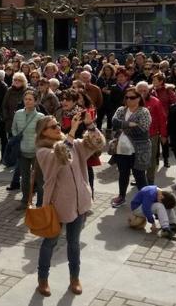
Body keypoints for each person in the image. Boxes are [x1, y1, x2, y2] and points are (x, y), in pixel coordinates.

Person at [34, 113, 105, 297]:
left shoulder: (72, 143)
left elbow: (97, 143)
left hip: (79, 202)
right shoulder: (43, 152)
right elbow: (60, 156)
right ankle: (43, 279)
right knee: (49, 242)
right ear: (43, 133)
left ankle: (75, 278)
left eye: (58, 124)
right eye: (52, 126)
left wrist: (90, 126)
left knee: (73, 243)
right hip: (57, 205)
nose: (58, 128)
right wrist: (72, 131)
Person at [111, 87, 152, 208]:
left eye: (132, 97)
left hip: (138, 150)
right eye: (127, 97)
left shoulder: (143, 111)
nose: (129, 100)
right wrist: (129, 124)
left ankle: (146, 200)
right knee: (123, 174)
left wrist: (123, 125)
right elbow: (114, 122)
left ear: (139, 98)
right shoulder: (121, 109)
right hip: (121, 150)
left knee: (139, 176)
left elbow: (142, 129)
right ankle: (121, 197)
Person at [12, 89, 44, 210]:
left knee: (40, 180)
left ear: (36, 101)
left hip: (36, 152)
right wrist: (17, 138)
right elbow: (14, 128)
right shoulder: (18, 113)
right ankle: (25, 200)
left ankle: (40, 204)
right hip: (22, 151)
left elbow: (43, 134)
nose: (27, 101)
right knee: (24, 179)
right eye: (26, 99)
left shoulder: (41, 117)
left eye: (30, 99)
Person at [135, 81, 167, 185]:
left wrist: (163, 134)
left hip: (152, 135)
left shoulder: (155, 102)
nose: (142, 92)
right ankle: (140, 178)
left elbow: (162, 119)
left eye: (145, 90)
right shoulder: (132, 101)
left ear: (148, 90)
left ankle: (150, 180)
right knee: (137, 158)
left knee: (151, 159)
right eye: (140, 90)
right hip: (136, 135)